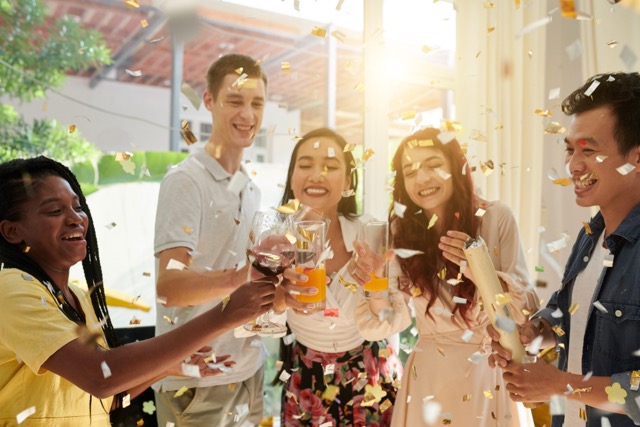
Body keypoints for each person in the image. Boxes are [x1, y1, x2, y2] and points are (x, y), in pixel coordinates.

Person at [0, 156, 276, 426]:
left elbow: (110, 397)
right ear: (12, 231)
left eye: (77, 206)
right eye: (54, 211)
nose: (76, 218)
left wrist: (173, 365)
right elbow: (101, 376)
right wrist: (224, 316)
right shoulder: (10, 289)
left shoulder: (79, 296)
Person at [350, 127, 540, 426]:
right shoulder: (401, 231)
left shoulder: (495, 217)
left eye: (433, 164)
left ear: (456, 166)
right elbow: (391, 321)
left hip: (488, 371)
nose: (422, 178)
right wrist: (376, 284)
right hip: (429, 376)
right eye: (410, 171)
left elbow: (522, 311)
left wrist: (477, 268)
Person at [489, 72, 640, 426]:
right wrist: (532, 332)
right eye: (571, 149)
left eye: (589, 150)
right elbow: (566, 311)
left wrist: (562, 386)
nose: (573, 165)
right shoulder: (590, 236)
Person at [152, 53, 275, 426]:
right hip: (196, 380)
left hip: (248, 370)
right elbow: (169, 286)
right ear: (209, 101)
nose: (247, 115)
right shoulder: (186, 181)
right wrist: (241, 276)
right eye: (235, 101)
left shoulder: (250, 188)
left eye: (257, 104)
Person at [276, 128, 406, 427]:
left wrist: (376, 285)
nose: (317, 175)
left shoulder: (372, 234)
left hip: (372, 376)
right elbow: (251, 320)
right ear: (292, 177)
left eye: (331, 166)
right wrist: (278, 298)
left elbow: (390, 320)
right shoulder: (274, 240)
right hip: (305, 380)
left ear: (348, 181)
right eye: (306, 165)